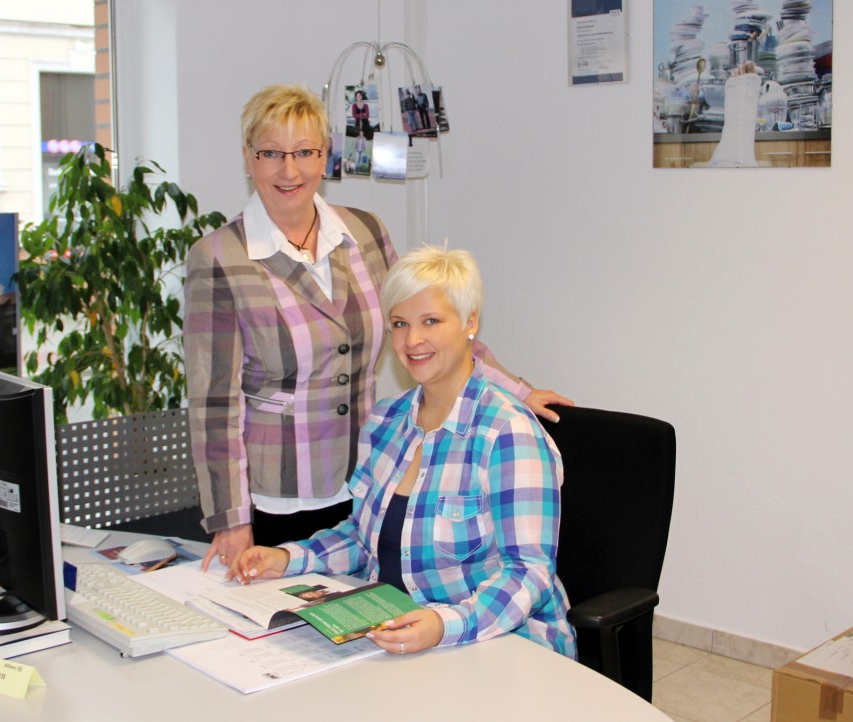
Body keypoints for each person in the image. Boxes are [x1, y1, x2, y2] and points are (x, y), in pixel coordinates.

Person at [184, 84, 573, 578]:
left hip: (370, 475)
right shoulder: (219, 257)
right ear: (248, 158)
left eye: (305, 152)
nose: (290, 170)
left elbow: (430, 320)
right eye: (272, 153)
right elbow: (213, 400)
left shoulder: (364, 231)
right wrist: (231, 518)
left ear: (325, 155)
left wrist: (515, 389)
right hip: (277, 493)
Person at [232, 246, 577, 659]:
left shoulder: (508, 432)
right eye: (400, 324)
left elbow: (529, 574)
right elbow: (364, 541)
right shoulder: (385, 422)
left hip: (501, 645)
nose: (412, 340)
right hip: (401, 634)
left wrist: (443, 625)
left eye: (431, 321)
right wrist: (288, 558)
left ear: (470, 324)